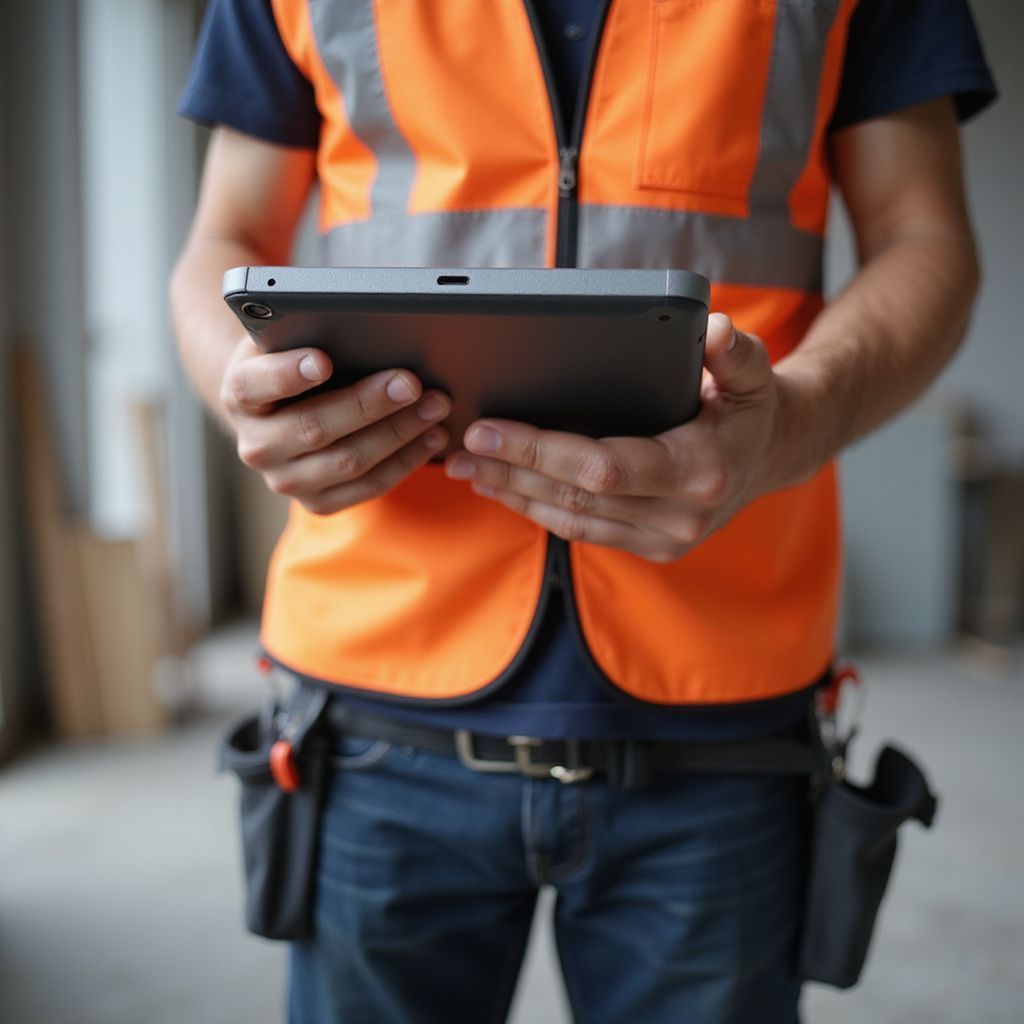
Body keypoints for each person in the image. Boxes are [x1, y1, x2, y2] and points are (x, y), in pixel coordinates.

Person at [171, 1, 996, 1021]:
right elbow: (222, 239)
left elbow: (926, 240)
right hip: (374, 697)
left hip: (723, 708)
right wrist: (245, 392)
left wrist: (791, 424)